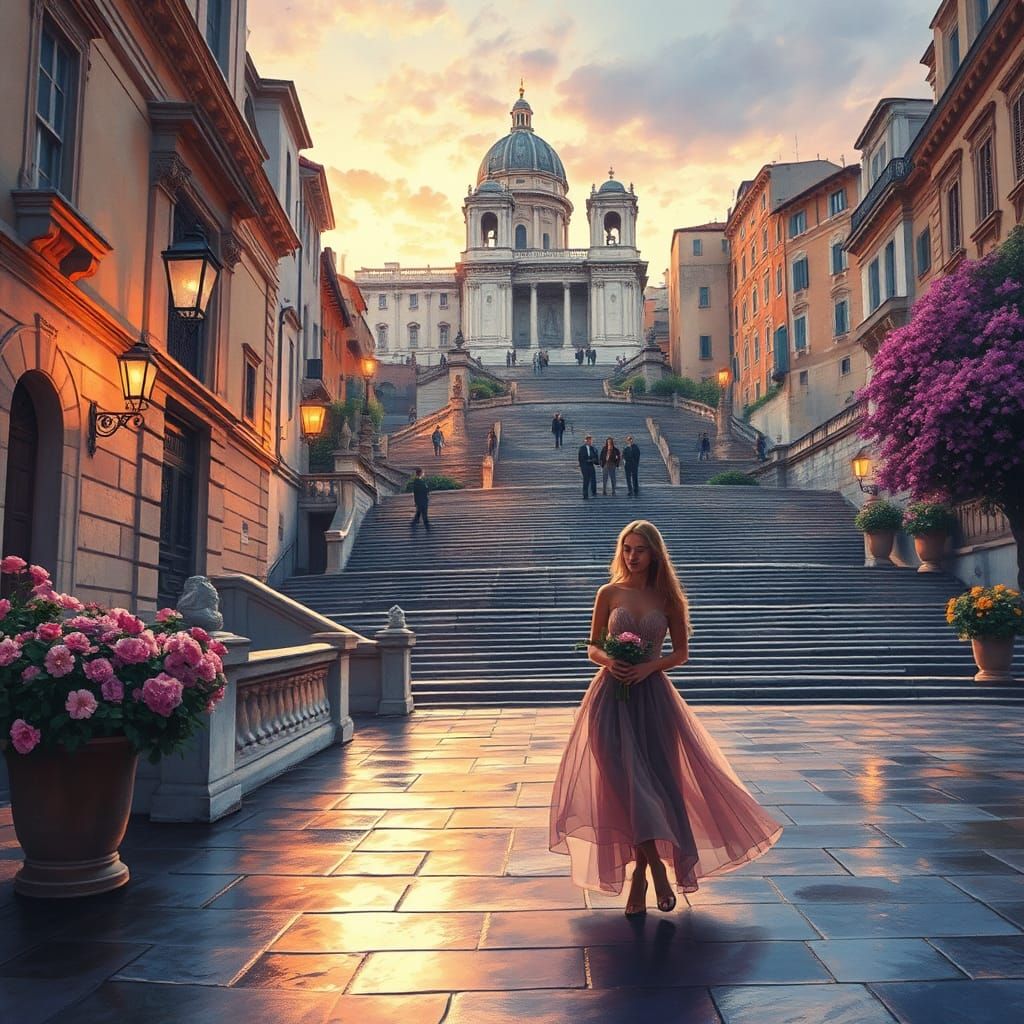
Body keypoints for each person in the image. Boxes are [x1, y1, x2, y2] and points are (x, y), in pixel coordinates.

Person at [549, 520, 783, 915]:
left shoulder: (668, 598)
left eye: (640, 549)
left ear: (655, 553)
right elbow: (592, 647)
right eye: (627, 549)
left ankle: (640, 877)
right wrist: (611, 661)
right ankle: (657, 869)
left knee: (654, 791)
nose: (632, 556)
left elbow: (681, 654)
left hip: (654, 702)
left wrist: (648, 667)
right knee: (626, 789)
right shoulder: (609, 593)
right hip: (610, 701)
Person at [577, 433, 599, 500]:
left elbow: (596, 457)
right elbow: (580, 458)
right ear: (585, 441)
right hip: (584, 466)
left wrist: (594, 460)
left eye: (591, 441)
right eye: (588, 441)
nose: (590, 442)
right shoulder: (582, 448)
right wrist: (586, 461)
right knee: (586, 480)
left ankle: (594, 492)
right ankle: (585, 494)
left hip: (591, 465)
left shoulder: (593, 448)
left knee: (593, 479)